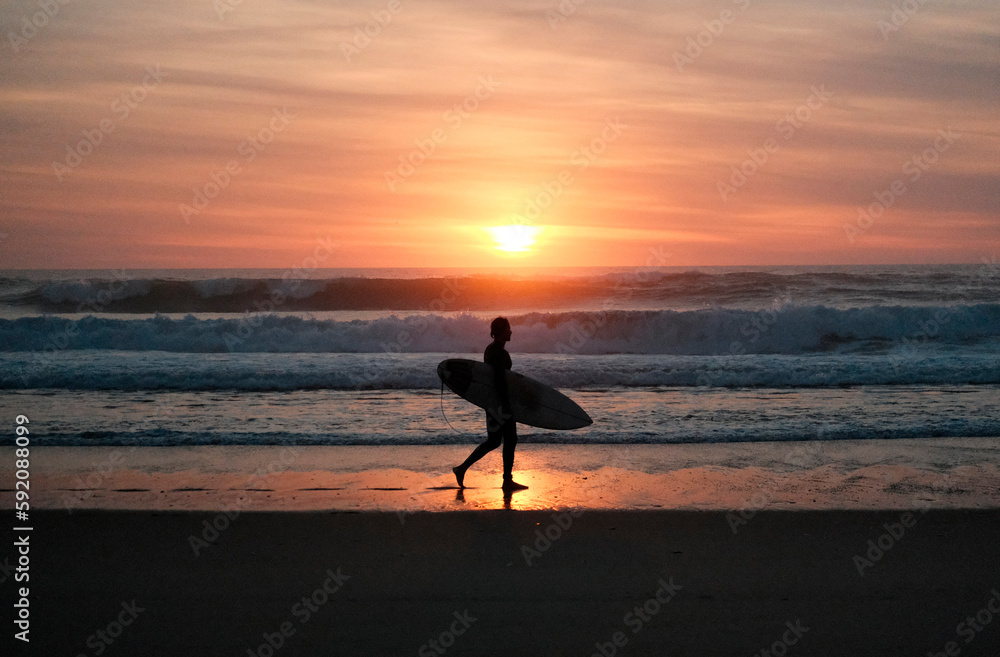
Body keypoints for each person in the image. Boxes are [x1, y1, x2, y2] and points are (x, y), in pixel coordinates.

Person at [453, 317, 528, 492]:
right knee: (510, 439)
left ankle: (462, 468)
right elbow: (499, 381)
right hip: (500, 403)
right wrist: (506, 405)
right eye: (508, 329)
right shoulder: (499, 353)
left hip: (491, 403)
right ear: (501, 331)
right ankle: (507, 481)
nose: (511, 332)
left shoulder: (491, 349)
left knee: (494, 441)